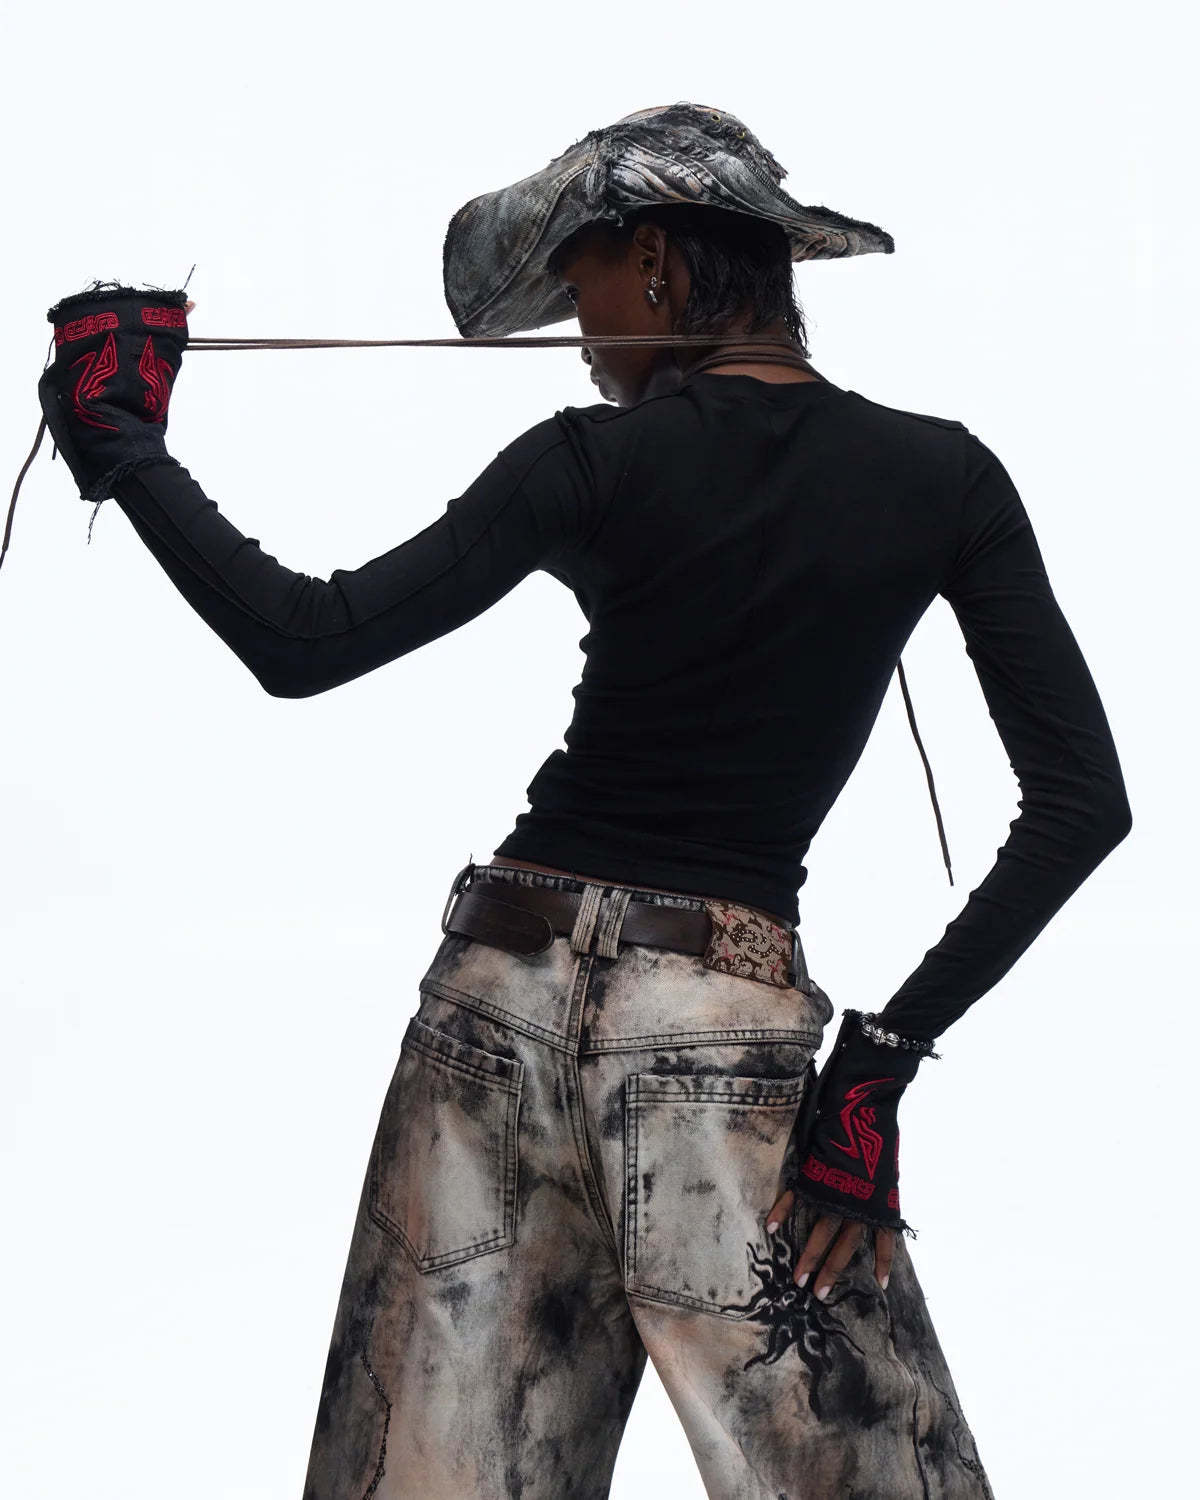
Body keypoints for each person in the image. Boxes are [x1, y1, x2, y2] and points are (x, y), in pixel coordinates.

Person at [35, 103, 1131, 1499]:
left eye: (584, 286)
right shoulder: (942, 477)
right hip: (714, 1031)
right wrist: (879, 1065)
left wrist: (122, 440)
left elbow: (303, 640)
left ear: (657, 262)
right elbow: (1082, 804)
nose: (580, 336)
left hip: (495, 1006)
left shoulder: (591, 460)